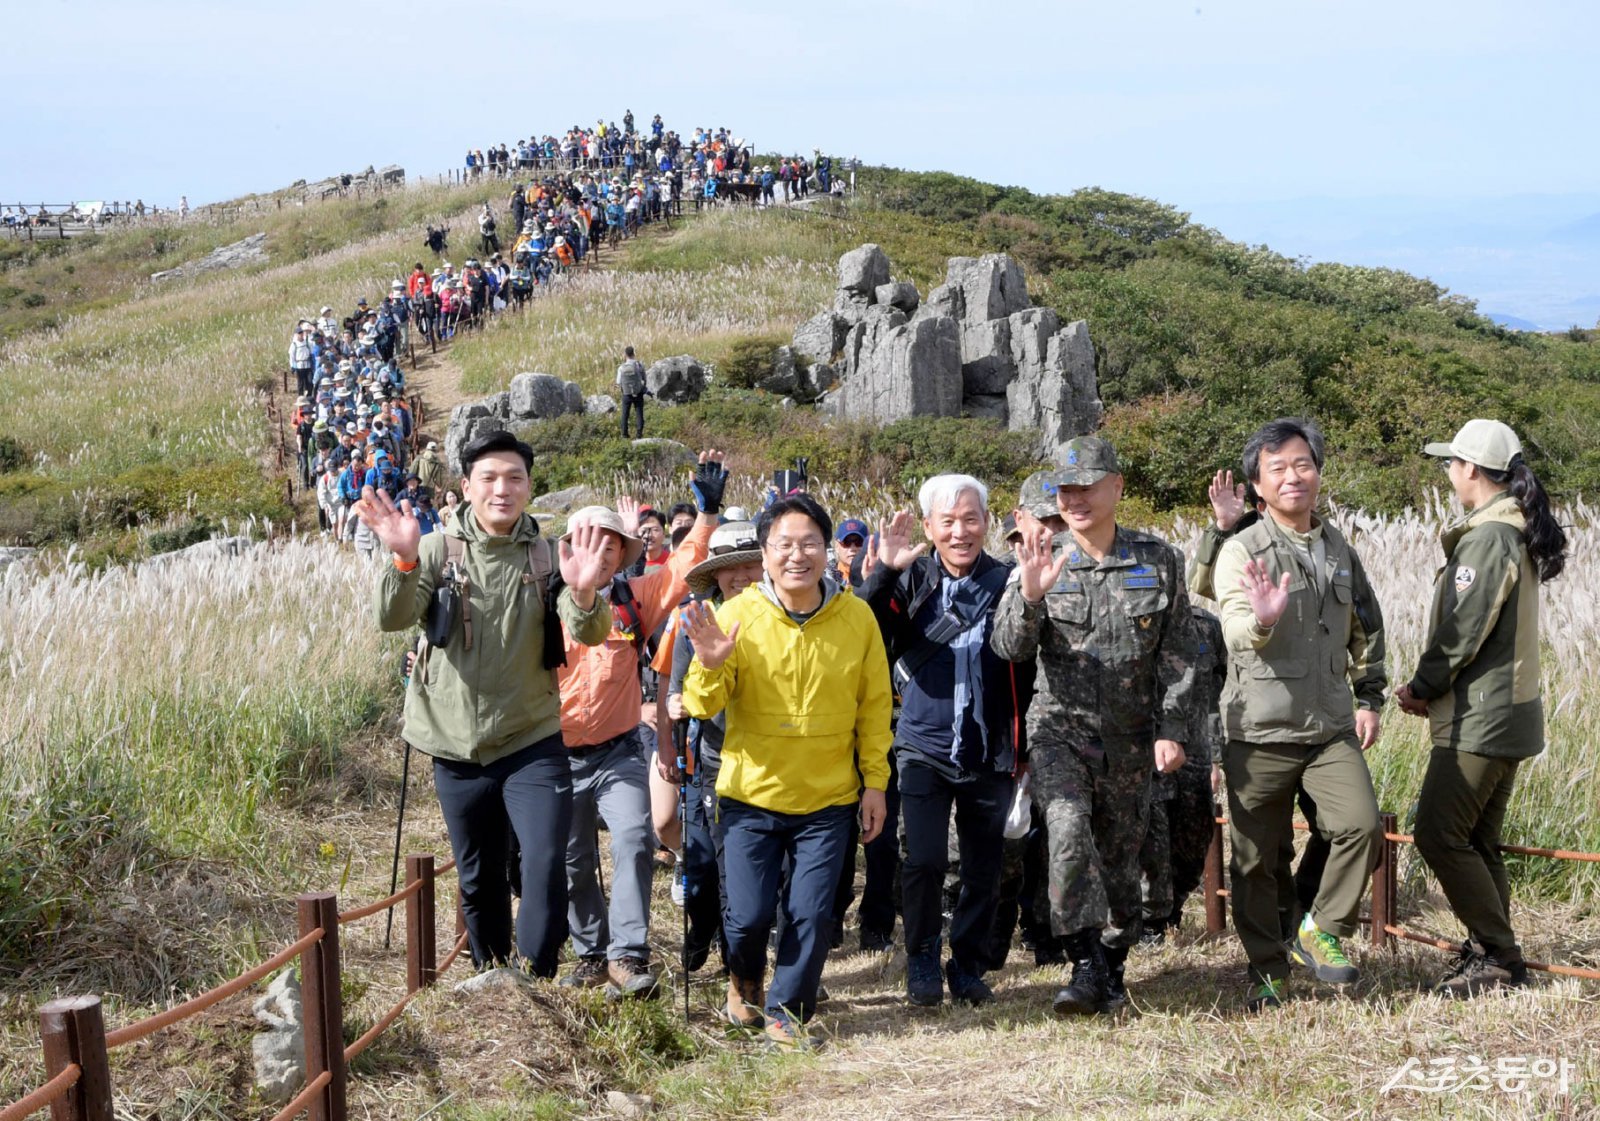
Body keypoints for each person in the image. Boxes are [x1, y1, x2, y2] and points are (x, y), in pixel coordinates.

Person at [361, 430, 614, 976]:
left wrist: (586, 592)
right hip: (454, 744)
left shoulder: (549, 556)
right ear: (466, 487)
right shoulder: (435, 549)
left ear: (529, 486)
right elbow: (393, 618)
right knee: (478, 877)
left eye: (515, 477)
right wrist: (404, 560)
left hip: (531, 738)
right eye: (490, 478)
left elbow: (589, 632)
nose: (503, 488)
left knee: (546, 865)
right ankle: (493, 976)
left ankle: (536, 977)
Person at [991, 436, 1195, 1017]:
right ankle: (1082, 962)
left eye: (1087, 487)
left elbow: (1180, 655)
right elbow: (1006, 646)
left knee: (1121, 862)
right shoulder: (1041, 555)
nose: (1075, 498)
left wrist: (1172, 730)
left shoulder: (1158, 560)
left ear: (1117, 488)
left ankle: (1111, 962)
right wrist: (1030, 595)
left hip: (1131, 739)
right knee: (1067, 829)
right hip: (1061, 732)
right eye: (1065, 490)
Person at [681, 493, 893, 1050]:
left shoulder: (857, 619)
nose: (797, 556)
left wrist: (875, 783)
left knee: (811, 914)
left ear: (828, 551)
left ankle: (787, 1012)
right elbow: (702, 707)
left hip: (829, 800)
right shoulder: (737, 615)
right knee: (748, 918)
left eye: (809, 544)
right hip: (751, 795)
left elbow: (874, 709)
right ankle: (744, 981)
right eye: (784, 545)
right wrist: (709, 665)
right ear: (765, 551)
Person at [1212, 418, 1386, 1010]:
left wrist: (1370, 698)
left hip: (1329, 725)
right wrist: (1262, 620)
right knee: (1256, 861)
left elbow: (1367, 626)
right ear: (1258, 486)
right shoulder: (1243, 548)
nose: (1293, 477)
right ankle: (1267, 970)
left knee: (1360, 825)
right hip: (1259, 729)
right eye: (1278, 469)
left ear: (1318, 472)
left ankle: (1320, 931)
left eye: (1302, 464)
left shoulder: (1339, 547)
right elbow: (1235, 624)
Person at [1397, 419, 1567, 997]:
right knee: (1477, 841)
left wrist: (1422, 685)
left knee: (1439, 835)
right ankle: (1490, 950)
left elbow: (1464, 627)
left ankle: (1499, 957)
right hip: (1508, 715)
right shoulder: (1508, 530)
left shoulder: (1490, 538)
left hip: (1481, 718)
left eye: (1451, 463)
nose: (1447, 473)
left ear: (1471, 469)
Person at [555, 458, 722, 999]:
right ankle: (590, 953)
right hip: (553, 756)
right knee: (574, 856)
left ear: (623, 555)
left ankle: (628, 955)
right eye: (589, 544)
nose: (600, 556)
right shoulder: (542, 604)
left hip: (619, 751)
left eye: (611, 547)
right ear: (567, 550)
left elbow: (679, 571)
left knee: (632, 836)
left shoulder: (633, 599)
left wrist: (708, 514)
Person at [861, 477, 1022, 1006]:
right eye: (947, 522)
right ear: (928, 527)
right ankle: (924, 957)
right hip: (921, 744)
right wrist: (884, 570)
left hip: (989, 746)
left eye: (971, 519)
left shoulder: (1008, 581)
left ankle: (969, 966)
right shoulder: (912, 579)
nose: (960, 531)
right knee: (925, 859)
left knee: (982, 866)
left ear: (987, 522)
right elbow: (864, 627)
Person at [1189, 470, 1329, 943]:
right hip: (1255, 710)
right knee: (1269, 847)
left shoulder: (1321, 542)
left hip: (1318, 714)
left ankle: (1303, 916)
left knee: (1340, 828)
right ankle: (1283, 933)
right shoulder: (1240, 545)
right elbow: (1201, 585)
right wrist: (1223, 527)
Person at [662, 520, 765, 973]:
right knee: (702, 863)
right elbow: (676, 688)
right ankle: (702, 926)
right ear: (715, 576)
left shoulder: (781, 614)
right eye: (729, 568)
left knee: (734, 865)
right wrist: (675, 704)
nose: (741, 576)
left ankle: (734, 952)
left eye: (750, 565)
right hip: (711, 757)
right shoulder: (695, 617)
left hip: (765, 759)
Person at [617, 346, 647, 439]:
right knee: (639, 413)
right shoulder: (640, 365)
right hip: (638, 393)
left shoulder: (621, 367)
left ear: (625, 355)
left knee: (625, 415)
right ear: (634, 353)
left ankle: (624, 434)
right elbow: (644, 379)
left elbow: (618, 382)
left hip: (626, 394)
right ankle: (639, 434)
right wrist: (642, 388)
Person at [829, 519, 869, 587]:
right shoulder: (826, 578)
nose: (852, 548)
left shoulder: (878, 577)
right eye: (846, 542)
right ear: (837, 547)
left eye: (859, 542)